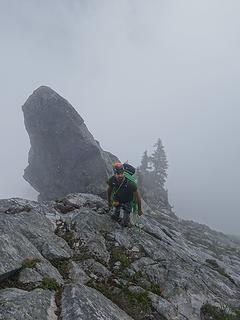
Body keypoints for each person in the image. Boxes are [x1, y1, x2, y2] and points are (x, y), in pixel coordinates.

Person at [107, 162, 143, 227]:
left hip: (128, 200)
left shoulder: (131, 183)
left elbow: (137, 197)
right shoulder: (112, 180)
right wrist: (109, 201)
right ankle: (116, 215)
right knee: (115, 215)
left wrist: (139, 209)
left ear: (124, 172)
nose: (120, 175)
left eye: (122, 173)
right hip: (117, 198)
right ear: (114, 174)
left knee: (125, 222)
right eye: (118, 174)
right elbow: (109, 190)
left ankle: (126, 221)